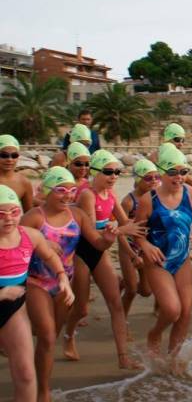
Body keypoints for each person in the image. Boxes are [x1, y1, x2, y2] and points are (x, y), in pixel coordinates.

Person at [21, 167, 113, 401]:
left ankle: (34, 369)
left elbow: (97, 244)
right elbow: (15, 244)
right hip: (36, 281)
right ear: (49, 190)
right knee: (48, 336)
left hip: (64, 284)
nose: (68, 195)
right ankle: (43, 391)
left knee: (48, 337)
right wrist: (40, 242)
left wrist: (109, 239)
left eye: (72, 190)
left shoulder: (78, 216)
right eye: (61, 190)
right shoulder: (34, 216)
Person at [133, 147, 192, 362]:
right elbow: (137, 233)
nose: (179, 177)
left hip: (181, 260)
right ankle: (155, 334)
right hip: (157, 261)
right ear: (161, 172)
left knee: (185, 313)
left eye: (183, 171)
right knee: (171, 310)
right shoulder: (148, 200)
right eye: (172, 172)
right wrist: (146, 246)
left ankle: (173, 360)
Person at [63, 150, 145, 368]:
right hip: (82, 253)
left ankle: (123, 358)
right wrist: (117, 231)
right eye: (108, 172)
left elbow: (126, 223)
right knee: (81, 309)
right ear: (94, 172)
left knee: (116, 304)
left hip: (101, 253)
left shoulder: (111, 195)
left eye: (117, 172)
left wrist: (134, 251)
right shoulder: (87, 195)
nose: (114, 176)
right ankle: (68, 335)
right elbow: (91, 231)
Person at [0, 185, 74, 402]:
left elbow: (50, 256)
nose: (9, 219)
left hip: (13, 309)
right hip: (6, 297)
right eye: (1, 214)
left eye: (14, 212)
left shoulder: (30, 236)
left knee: (25, 373)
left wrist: (62, 277)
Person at [119, 159, 159, 316]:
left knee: (147, 291)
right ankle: (122, 321)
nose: (154, 181)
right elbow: (120, 231)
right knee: (131, 291)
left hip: (144, 247)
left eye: (157, 177)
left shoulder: (156, 198)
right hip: (128, 248)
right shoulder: (128, 202)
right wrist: (132, 255)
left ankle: (121, 282)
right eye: (148, 178)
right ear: (137, 179)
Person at [149, 123, 192, 195]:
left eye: (183, 140)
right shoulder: (169, 152)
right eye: (177, 139)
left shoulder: (159, 151)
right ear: (168, 138)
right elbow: (185, 178)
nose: (181, 143)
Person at [0, 135, 34, 212]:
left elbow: (28, 216)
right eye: (4, 155)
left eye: (14, 155)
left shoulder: (24, 183)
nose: (9, 159)